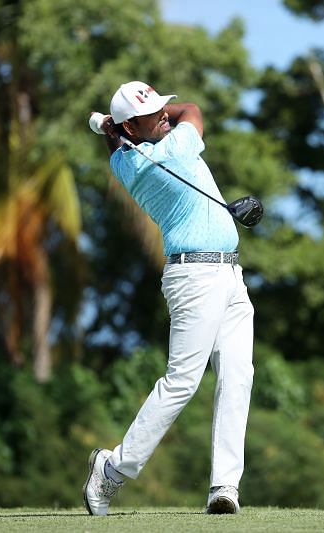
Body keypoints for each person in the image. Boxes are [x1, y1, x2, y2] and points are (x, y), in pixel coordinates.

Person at [83, 81, 255, 516]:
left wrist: (115, 128)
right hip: (195, 276)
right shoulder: (173, 150)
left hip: (230, 274)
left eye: (162, 106)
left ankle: (224, 486)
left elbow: (129, 141)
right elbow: (191, 108)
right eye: (153, 113)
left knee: (237, 375)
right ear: (131, 128)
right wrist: (113, 125)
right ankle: (113, 470)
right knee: (182, 381)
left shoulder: (125, 161)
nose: (164, 113)